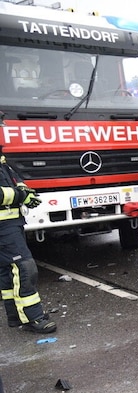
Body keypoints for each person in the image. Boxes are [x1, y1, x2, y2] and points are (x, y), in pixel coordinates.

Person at [0, 112, 56, 333]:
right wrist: (20, 195)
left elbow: (15, 180)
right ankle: (32, 318)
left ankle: (15, 315)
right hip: (4, 228)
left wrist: (24, 191)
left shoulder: (2, 160)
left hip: (11, 223)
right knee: (25, 267)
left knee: (7, 270)